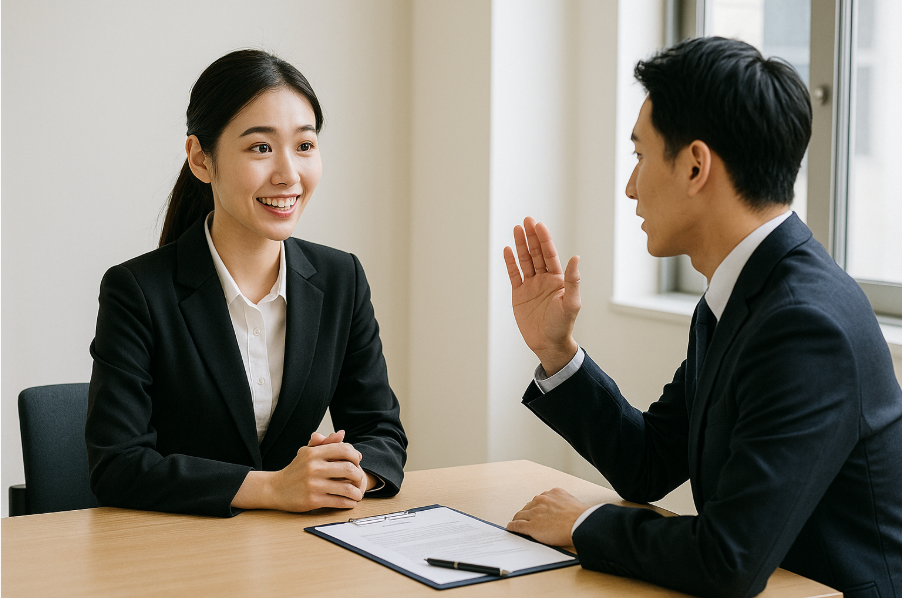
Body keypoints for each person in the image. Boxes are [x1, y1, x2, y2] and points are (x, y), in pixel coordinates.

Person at [503, 37, 902, 597]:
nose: (630, 187)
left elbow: (729, 559)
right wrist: (558, 352)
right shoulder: (741, 293)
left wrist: (583, 523)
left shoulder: (804, 323)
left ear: (695, 165)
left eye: (640, 156)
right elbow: (651, 463)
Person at [85, 50, 407, 517]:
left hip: (301, 553)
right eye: (260, 147)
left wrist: (351, 473)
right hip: (177, 556)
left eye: (304, 145)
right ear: (200, 159)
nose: (288, 174)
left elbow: (381, 432)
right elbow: (117, 466)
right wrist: (275, 489)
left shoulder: (342, 279)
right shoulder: (136, 291)